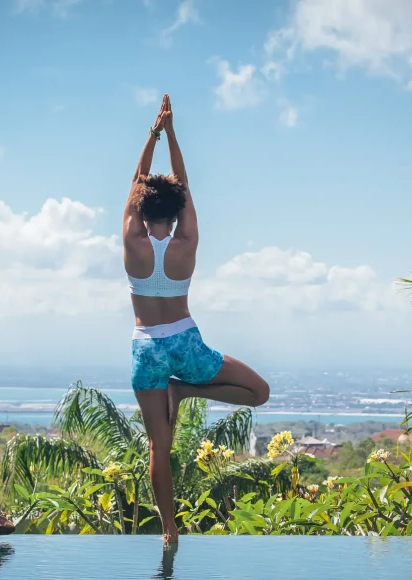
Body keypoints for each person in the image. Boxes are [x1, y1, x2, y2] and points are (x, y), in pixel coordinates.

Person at [123, 94, 271, 548]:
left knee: (158, 447)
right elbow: (183, 184)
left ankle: (169, 530)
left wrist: (153, 134)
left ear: (142, 210)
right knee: (259, 393)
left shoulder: (132, 242)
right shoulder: (186, 242)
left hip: (146, 348)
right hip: (185, 345)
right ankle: (184, 389)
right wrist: (173, 134)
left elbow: (135, 182)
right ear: (176, 212)